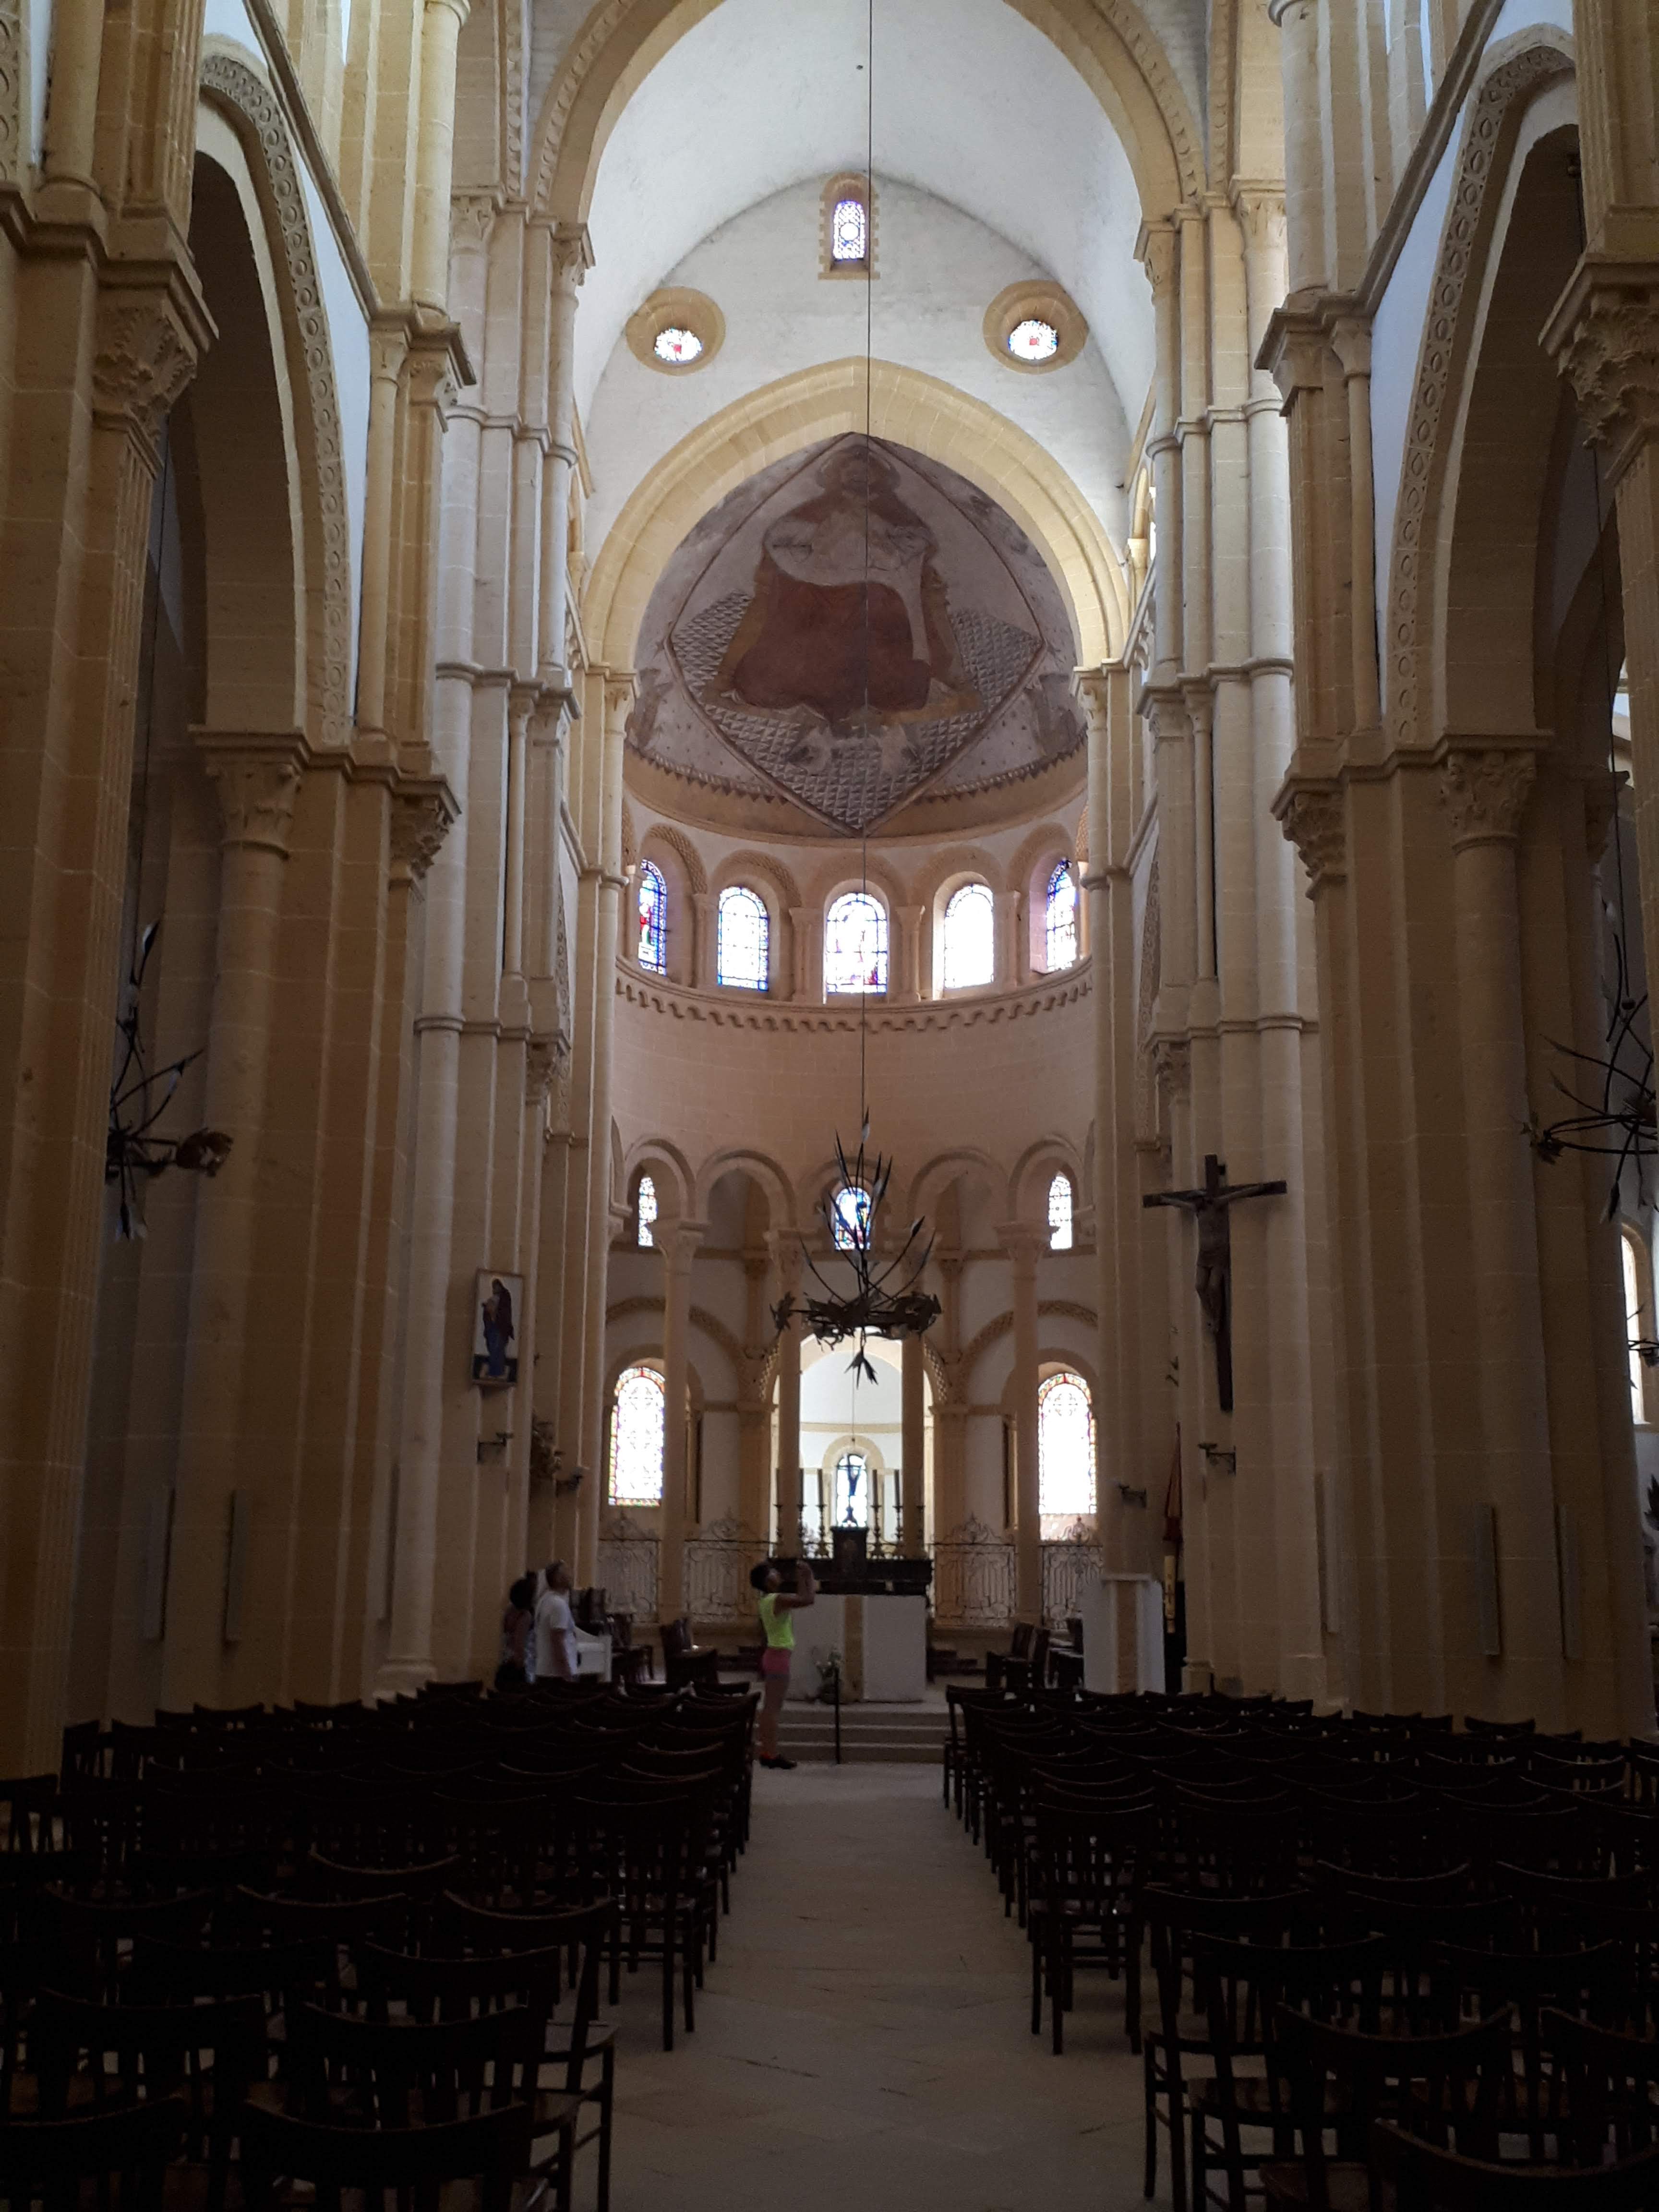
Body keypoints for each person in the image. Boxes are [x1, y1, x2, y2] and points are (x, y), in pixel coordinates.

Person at [750, 1555, 815, 1769]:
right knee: (773, 1709)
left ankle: (768, 1752)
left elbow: (800, 1597)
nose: (777, 1574)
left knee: (771, 1707)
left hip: (775, 1655)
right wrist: (808, 1576)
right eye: (773, 1572)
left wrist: (802, 1578)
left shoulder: (768, 1600)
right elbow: (808, 1599)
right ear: (767, 1580)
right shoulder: (777, 1600)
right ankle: (770, 1754)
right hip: (778, 1657)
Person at [533, 1561, 580, 1682]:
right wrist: (566, 1672)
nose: (572, 1575)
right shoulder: (558, 1604)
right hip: (557, 1674)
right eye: (567, 1572)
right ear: (558, 1579)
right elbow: (557, 1640)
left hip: (545, 1670)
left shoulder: (545, 1600)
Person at [496, 1574, 535, 1689]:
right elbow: (519, 1642)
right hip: (515, 1663)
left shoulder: (509, 1611)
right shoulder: (525, 1616)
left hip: (504, 1658)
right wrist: (521, 1665)